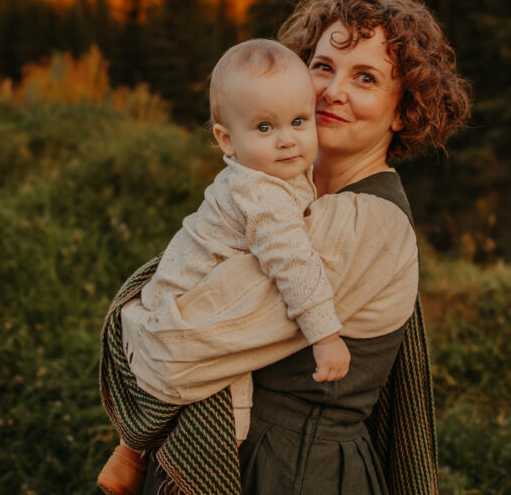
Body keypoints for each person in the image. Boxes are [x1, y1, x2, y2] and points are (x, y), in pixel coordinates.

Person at [98, 0, 471, 495]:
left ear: (404, 109)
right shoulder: (280, 197)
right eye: (322, 66)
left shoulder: (368, 226)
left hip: (293, 475)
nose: (332, 91)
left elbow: (174, 352)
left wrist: (132, 317)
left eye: (365, 78)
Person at [97, 39, 352, 495]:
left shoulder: (267, 172)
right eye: (264, 127)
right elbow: (294, 265)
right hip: (188, 300)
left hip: (171, 286)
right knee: (224, 390)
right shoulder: (263, 193)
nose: (287, 139)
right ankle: (197, 472)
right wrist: (325, 336)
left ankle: (128, 452)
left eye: (299, 121)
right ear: (226, 140)